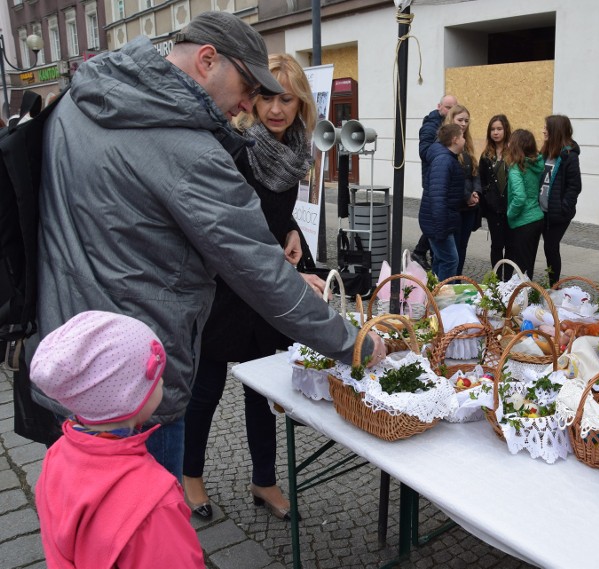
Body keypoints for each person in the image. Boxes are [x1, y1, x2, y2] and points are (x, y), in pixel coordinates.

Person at [28, 11, 385, 480]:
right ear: (207, 60)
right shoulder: (190, 150)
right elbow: (260, 272)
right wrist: (354, 343)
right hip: (138, 386)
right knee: (147, 535)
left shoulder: (81, 99)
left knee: (87, 524)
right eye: (249, 88)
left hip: (71, 365)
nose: (247, 105)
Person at [182, 54, 320, 520]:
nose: (276, 109)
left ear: (300, 103)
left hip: (263, 291)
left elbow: (275, 215)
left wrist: (294, 235)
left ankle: (264, 481)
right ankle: (191, 477)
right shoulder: (236, 148)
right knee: (206, 389)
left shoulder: (297, 150)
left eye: (286, 98)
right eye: (265, 96)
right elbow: (223, 226)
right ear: (252, 100)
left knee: (262, 390)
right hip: (224, 286)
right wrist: (276, 258)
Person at [31, 311, 205, 568]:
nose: (163, 380)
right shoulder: (155, 502)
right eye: (157, 376)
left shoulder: (57, 455)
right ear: (129, 398)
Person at [412, 94, 458, 269]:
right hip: (434, 179)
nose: (450, 110)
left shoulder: (451, 126)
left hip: (441, 178)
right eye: (447, 107)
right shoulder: (430, 126)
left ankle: (424, 252)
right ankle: (420, 251)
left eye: (453, 107)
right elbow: (424, 152)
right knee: (435, 219)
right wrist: (445, 142)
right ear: (439, 106)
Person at [419, 124, 469, 281]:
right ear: (455, 140)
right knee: (450, 260)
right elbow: (438, 197)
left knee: (441, 260)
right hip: (439, 223)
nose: (464, 140)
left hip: (441, 221)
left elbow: (447, 192)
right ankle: (442, 299)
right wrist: (441, 230)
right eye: (462, 137)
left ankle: (433, 296)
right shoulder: (444, 160)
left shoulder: (447, 158)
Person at [540, 114, 582, 287]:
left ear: (555, 131)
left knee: (551, 247)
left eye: (546, 127)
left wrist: (563, 208)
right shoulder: (544, 152)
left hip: (558, 214)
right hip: (540, 211)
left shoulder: (569, 156)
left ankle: (554, 286)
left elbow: (575, 186)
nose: (543, 130)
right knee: (542, 247)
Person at [444, 104, 481, 275]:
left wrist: (476, 193)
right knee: (452, 252)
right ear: (451, 120)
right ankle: (448, 285)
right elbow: (453, 178)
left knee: (462, 248)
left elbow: (475, 172)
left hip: (468, 207)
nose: (464, 124)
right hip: (455, 206)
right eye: (460, 120)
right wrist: (467, 196)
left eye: (466, 120)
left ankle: (457, 282)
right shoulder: (446, 144)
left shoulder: (467, 143)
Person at [505, 129, 545, 279]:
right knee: (529, 265)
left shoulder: (516, 169)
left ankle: (522, 297)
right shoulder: (535, 165)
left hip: (523, 222)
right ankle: (528, 294)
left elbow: (520, 197)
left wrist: (510, 214)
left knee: (521, 267)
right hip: (537, 218)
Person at [479, 114, 512, 279]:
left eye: (499, 129)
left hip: (511, 207)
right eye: (492, 129)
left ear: (505, 130)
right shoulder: (486, 155)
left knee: (511, 245)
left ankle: (509, 280)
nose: (496, 132)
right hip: (493, 209)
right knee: (497, 245)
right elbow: (482, 179)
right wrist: (487, 197)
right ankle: (498, 279)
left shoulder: (513, 152)